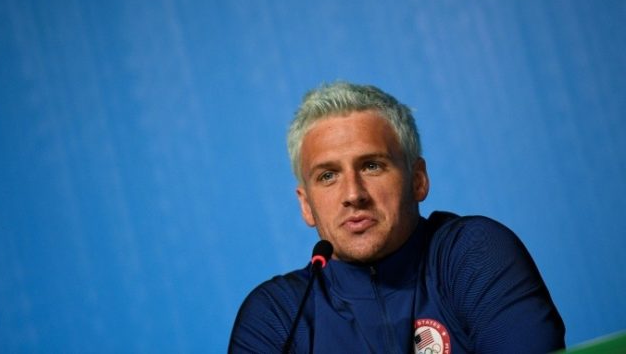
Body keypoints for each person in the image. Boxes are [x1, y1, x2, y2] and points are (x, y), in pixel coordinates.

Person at [229, 82, 565, 353]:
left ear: (418, 179)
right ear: (306, 205)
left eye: (372, 166)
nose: (353, 194)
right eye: (328, 176)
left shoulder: (473, 254)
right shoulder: (277, 316)